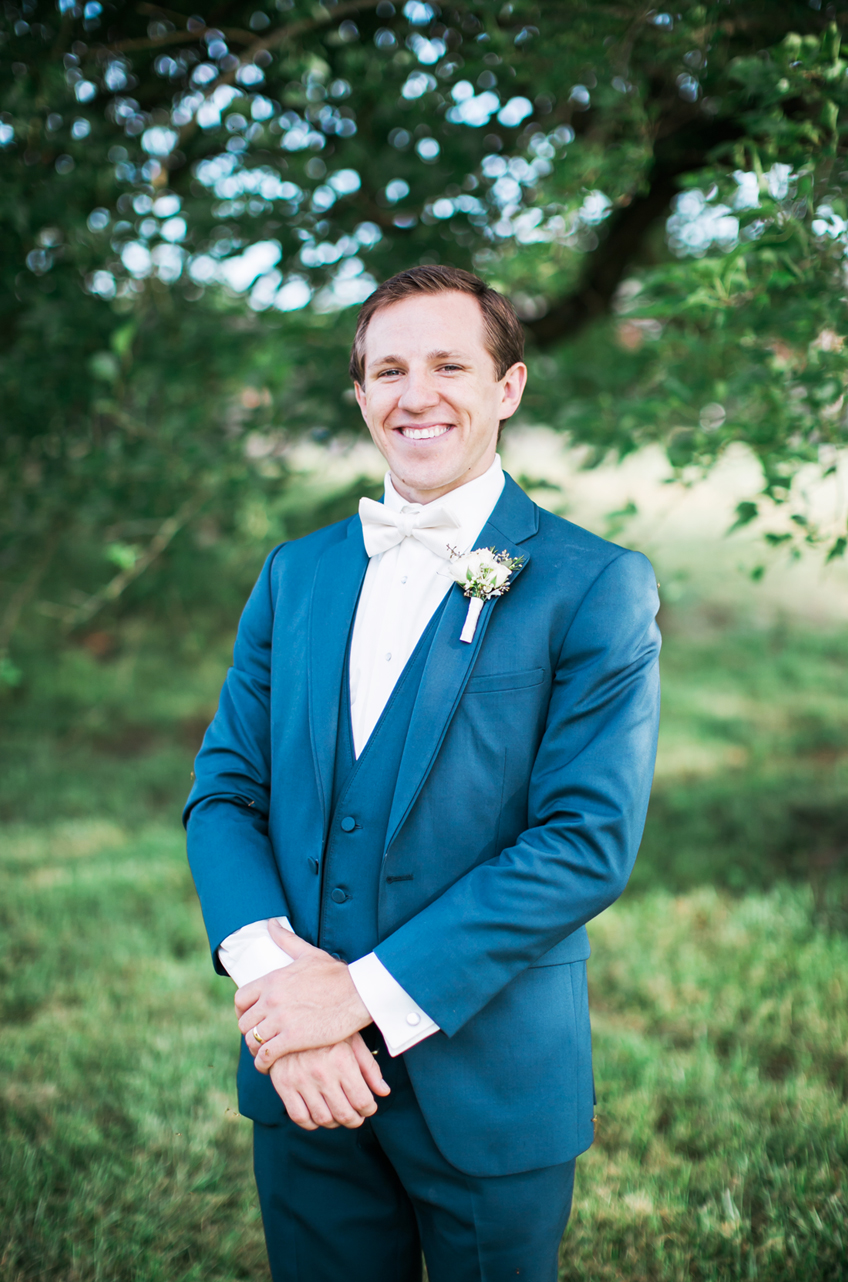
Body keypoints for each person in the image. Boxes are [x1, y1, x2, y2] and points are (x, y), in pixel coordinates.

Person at [183, 265, 661, 1279]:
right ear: (359, 396)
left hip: (487, 1076)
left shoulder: (595, 584)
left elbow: (583, 844)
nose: (417, 394)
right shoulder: (294, 575)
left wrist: (353, 996)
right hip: (300, 1078)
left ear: (508, 387)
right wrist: (284, 995)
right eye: (388, 370)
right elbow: (225, 791)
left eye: (450, 364)